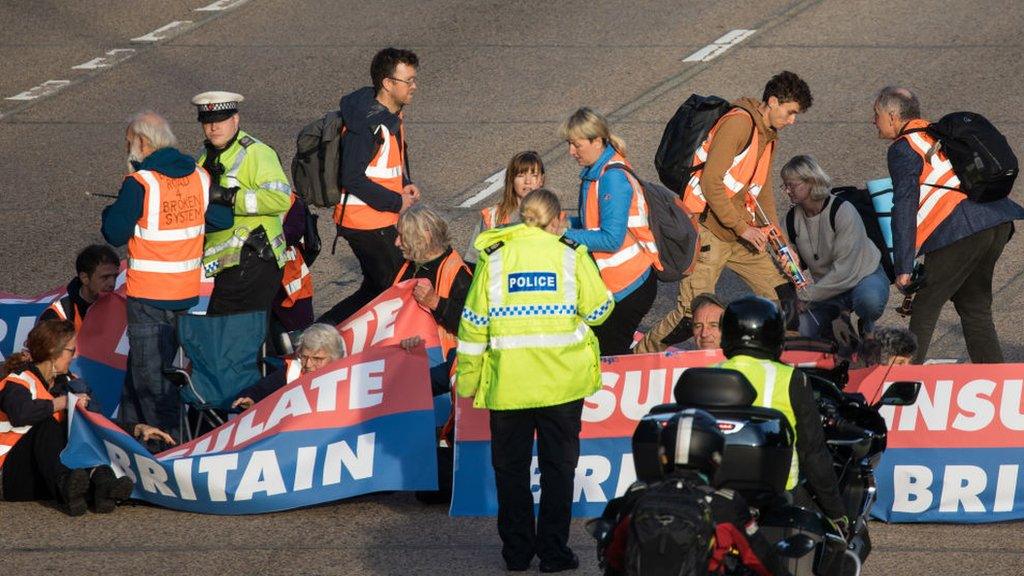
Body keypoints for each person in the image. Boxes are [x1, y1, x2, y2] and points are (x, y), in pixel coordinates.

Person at [457, 188, 615, 572]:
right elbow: (599, 311)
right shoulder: (570, 254)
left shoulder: (494, 258)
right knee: (558, 470)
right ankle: (554, 553)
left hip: (509, 385)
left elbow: (474, 324)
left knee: (510, 471)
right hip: (562, 384)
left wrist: (467, 380)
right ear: (557, 218)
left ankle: (516, 553)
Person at [637, 71, 813, 354]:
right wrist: (743, 228)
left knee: (784, 297)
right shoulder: (739, 124)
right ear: (773, 102)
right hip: (710, 232)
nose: (793, 120)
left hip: (740, 233)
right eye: (791, 112)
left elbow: (760, 190)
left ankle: (787, 364)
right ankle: (635, 360)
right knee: (688, 318)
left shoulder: (767, 134)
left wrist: (779, 241)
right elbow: (711, 183)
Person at [101, 111, 232, 443]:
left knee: (152, 382)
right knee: (139, 372)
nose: (126, 148)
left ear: (142, 143)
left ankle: (167, 450)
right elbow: (220, 218)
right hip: (185, 294)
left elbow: (114, 232)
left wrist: (115, 203)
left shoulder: (141, 183)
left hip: (148, 296)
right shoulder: (199, 177)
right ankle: (129, 442)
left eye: (128, 142)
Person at [873, 86, 1024, 363]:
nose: (874, 122)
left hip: (959, 229)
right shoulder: (937, 134)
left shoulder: (904, 147)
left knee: (925, 306)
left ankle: (905, 384)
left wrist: (903, 266)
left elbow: (904, 204)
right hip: (995, 220)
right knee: (974, 307)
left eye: (877, 115)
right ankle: (996, 381)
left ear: (893, 117)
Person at [0, 320, 173, 515]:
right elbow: (20, 414)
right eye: (71, 351)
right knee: (50, 423)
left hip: (43, 474)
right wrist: (63, 403)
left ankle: (101, 484)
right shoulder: (19, 380)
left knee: (82, 426)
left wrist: (136, 428)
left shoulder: (68, 383)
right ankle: (71, 483)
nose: (75, 356)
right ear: (51, 351)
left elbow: (95, 421)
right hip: (12, 474)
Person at [597, 408, 791, 576]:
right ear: (714, 456)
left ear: (663, 453)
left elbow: (614, 558)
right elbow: (762, 560)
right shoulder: (726, 503)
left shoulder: (638, 494)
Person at [716, 296, 848, 530]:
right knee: (830, 542)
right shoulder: (790, 378)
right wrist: (836, 512)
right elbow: (812, 451)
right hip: (776, 493)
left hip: (715, 490)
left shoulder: (705, 374)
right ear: (776, 337)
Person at [319, 48, 422, 325]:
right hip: (365, 222)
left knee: (378, 287)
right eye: (408, 81)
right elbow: (352, 177)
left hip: (379, 218)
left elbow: (384, 163)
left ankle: (319, 335)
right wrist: (395, 202)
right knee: (396, 285)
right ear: (388, 84)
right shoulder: (368, 124)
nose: (414, 86)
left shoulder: (389, 115)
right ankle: (319, 336)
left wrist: (405, 183)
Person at [560, 108, 662, 356]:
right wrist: (562, 224)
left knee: (608, 357)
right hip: (618, 286)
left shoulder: (611, 178)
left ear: (597, 141)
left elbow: (610, 239)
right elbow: (591, 223)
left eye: (576, 145)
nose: (571, 152)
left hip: (628, 287)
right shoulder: (597, 172)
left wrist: (561, 235)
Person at [193, 91, 292, 316]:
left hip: (253, 256)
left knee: (223, 332)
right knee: (246, 337)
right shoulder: (204, 156)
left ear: (235, 119)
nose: (213, 127)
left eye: (220, 121)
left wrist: (230, 197)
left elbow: (280, 199)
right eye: (207, 122)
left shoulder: (256, 152)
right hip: (228, 264)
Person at [780, 155, 889, 339]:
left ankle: (868, 329)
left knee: (869, 301)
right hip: (827, 287)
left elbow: (845, 271)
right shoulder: (791, 220)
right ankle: (842, 330)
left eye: (792, 185)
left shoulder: (842, 210)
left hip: (862, 276)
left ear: (812, 181)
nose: (788, 191)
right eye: (785, 185)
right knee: (804, 328)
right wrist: (785, 263)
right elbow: (784, 259)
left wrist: (807, 296)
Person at [393, 204, 472, 393]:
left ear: (425, 236)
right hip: (409, 353)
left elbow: (472, 325)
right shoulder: (408, 265)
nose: (396, 242)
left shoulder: (457, 273)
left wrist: (436, 303)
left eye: (403, 236)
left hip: (444, 362)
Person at [231, 323, 344, 410]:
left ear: (335, 357)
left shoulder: (351, 373)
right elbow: (259, 390)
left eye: (318, 359)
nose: (308, 365)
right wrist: (250, 398)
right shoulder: (292, 371)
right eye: (304, 357)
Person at [465, 151, 546, 264]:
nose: (527, 181)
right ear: (511, 180)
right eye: (521, 175)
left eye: (534, 175)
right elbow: (473, 260)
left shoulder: (551, 215)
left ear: (541, 180)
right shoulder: (492, 216)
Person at [270, 192, 316, 354]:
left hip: (290, 285)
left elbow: (293, 233)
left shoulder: (291, 201)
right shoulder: (290, 199)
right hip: (287, 284)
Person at [38, 244, 120, 330]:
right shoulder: (58, 316)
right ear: (85, 278)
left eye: (115, 277)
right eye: (105, 277)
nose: (112, 283)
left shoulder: (121, 310)